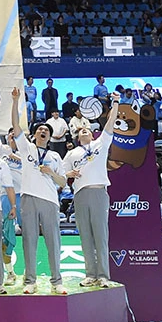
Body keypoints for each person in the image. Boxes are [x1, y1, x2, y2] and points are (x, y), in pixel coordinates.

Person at [9, 88, 67, 294]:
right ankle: (30, 281)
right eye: (40, 130)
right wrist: (15, 101)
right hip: (29, 198)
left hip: (50, 200)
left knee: (53, 241)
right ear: (34, 135)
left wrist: (51, 172)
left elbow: (63, 182)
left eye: (46, 131)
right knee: (29, 240)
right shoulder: (27, 148)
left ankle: (57, 281)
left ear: (50, 137)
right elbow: (15, 125)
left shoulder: (55, 156)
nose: (43, 131)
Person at [62, 92, 121, 287]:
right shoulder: (72, 153)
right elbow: (60, 174)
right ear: (77, 137)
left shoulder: (100, 144)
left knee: (101, 235)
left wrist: (115, 102)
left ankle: (103, 275)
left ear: (92, 133)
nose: (84, 132)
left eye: (87, 130)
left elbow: (110, 123)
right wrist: (69, 173)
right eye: (81, 132)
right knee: (85, 236)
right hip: (80, 195)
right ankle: (90, 274)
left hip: (98, 192)